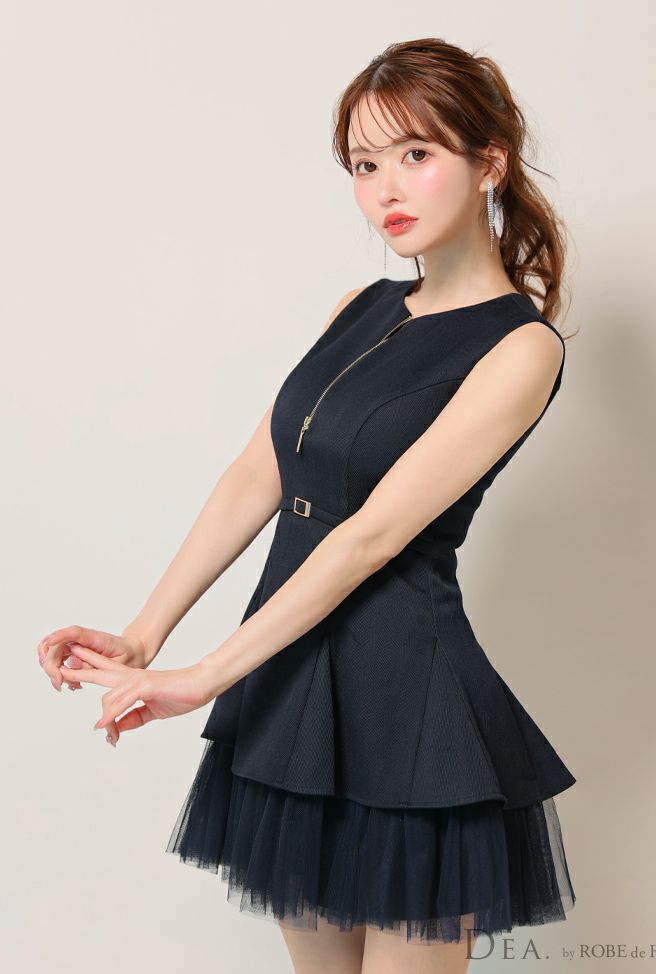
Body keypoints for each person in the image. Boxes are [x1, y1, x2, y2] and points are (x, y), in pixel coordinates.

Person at [38, 38, 578, 974]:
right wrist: (143, 636)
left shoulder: (521, 347)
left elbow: (370, 536)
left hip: (410, 707)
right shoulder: (359, 306)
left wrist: (206, 677)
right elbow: (258, 474)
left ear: (489, 161)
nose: (386, 189)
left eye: (416, 154)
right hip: (295, 692)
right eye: (364, 166)